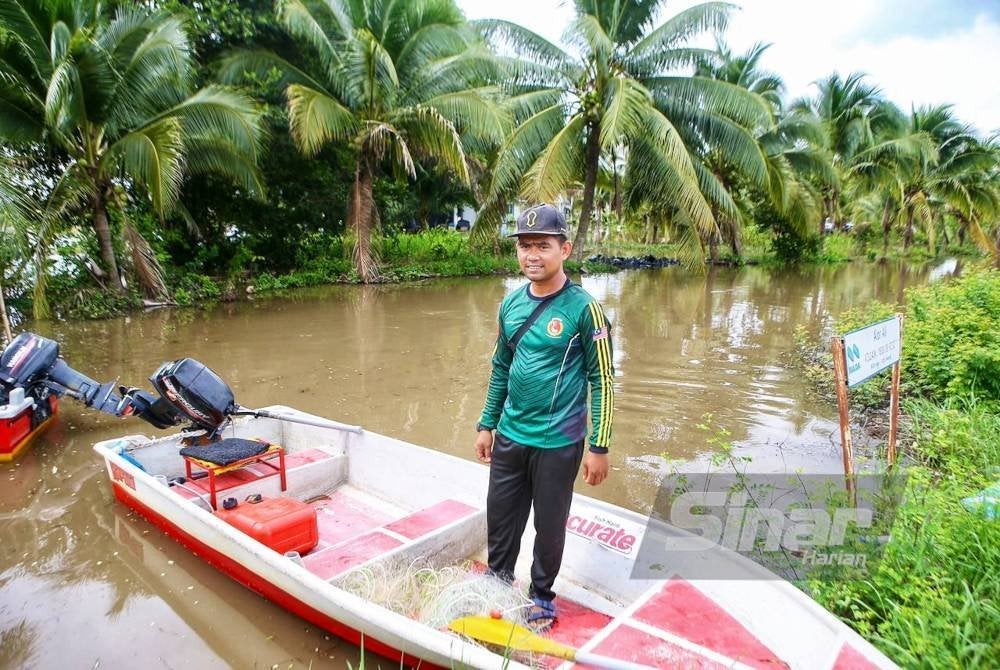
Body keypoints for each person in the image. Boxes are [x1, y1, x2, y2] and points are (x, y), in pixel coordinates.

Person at [475, 203, 615, 633]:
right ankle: (498, 581)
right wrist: (486, 423)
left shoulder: (584, 309)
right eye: (525, 246)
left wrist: (599, 446)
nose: (532, 254)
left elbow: (603, 379)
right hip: (512, 436)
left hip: (559, 442)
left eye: (542, 245)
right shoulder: (510, 305)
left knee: (549, 525)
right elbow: (501, 366)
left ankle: (541, 595)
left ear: (564, 249)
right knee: (500, 517)